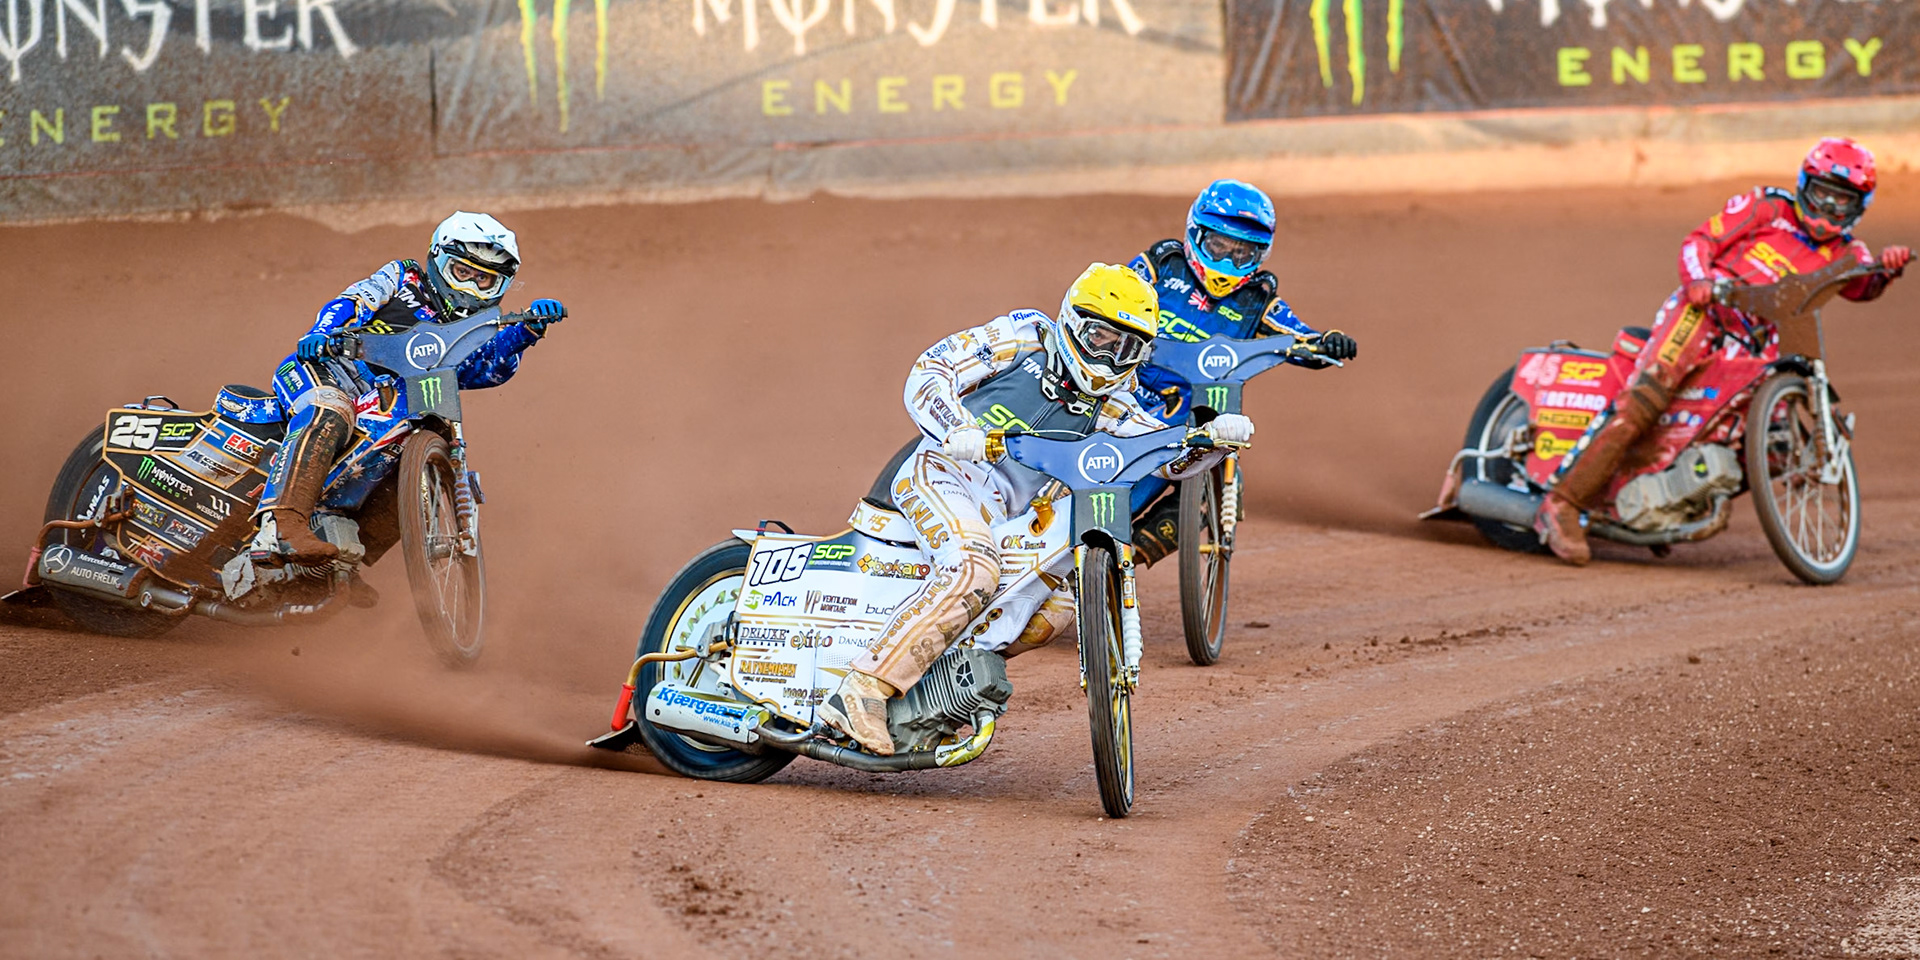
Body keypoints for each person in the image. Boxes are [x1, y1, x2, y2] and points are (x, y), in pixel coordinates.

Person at [818, 263, 1254, 755]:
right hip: (945, 471)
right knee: (975, 569)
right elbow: (931, 370)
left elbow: (1168, 460)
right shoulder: (1025, 336)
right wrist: (956, 427)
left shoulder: (1116, 406)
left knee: (1058, 607)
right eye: (1101, 337)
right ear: (1071, 320)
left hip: (1007, 511)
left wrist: (1214, 442)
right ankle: (861, 691)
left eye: (1126, 347)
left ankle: (932, 693)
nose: (1109, 357)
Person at [1535, 137, 1911, 565]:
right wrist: (1699, 280)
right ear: (1805, 185)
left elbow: (1863, 286)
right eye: (1821, 193)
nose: (1827, 208)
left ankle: (1659, 504)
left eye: (1841, 201)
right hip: (1704, 314)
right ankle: (1562, 504)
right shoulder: (1766, 207)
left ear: (1858, 207)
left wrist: (1888, 268)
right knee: (1645, 402)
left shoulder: (1849, 252)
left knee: (1769, 446)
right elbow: (1699, 240)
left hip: (1759, 344)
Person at [252, 211, 570, 565]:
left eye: (484, 280)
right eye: (462, 272)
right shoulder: (403, 276)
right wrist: (322, 333)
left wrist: (524, 333)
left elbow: (486, 369)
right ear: (438, 259)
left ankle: (344, 561)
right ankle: (279, 525)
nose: (469, 287)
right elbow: (354, 301)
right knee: (331, 410)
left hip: (389, 402)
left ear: (500, 287)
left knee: (416, 467)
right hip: (326, 369)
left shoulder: (480, 326)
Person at [1125, 179, 1358, 564]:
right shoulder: (1160, 265)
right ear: (1196, 233)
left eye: (1242, 253)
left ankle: (1125, 559)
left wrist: (1325, 342)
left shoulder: (1258, 300)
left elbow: (1297, 336)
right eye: (1219, 247)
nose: (1227, 262)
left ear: (1260, 255)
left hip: (1185, 418)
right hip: (1119, 391)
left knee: (1215, 485)